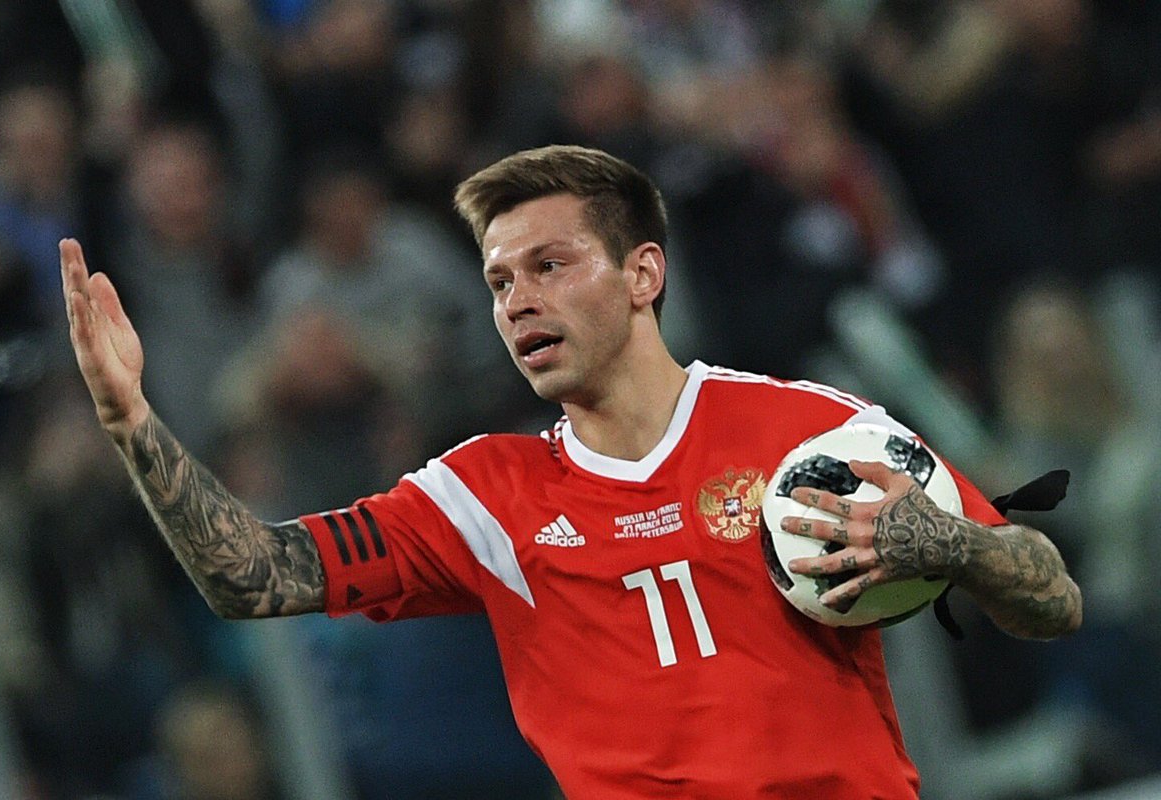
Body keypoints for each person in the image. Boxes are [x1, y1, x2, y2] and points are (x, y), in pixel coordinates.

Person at [60, 144, 1081, 799]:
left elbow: (1052, 595)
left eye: (549, 266)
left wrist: (955, 545)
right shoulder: (481, 497)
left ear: (643, 273)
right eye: (499, 281)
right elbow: (252, 574)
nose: (516, 302)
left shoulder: (810, 431)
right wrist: (131, 419)